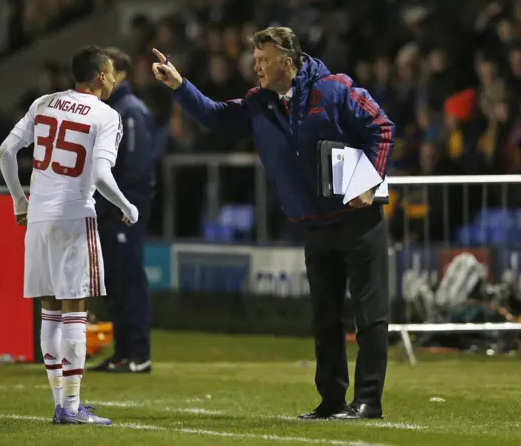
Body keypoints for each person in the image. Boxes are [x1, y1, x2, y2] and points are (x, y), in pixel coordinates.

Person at [151, 27, 395, 420]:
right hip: (313, 224)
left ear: (288, 60)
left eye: (263, 60)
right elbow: (215, 116)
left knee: (370, 316)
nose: (256, 67)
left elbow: (381, 128)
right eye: (255, 60)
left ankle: (368, 401)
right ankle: (332, 400)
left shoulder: (335, 90)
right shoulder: (258, 103)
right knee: (325, 319)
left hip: (357, 221)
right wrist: (180, 86)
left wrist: (369, 181)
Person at [0, 45, 138, 425]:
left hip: (38, 217)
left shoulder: (44, 102)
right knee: (76, 309)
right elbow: (100, 175)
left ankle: (61, 403)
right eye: (109, 73)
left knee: (50, 313)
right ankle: (73, 407)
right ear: (98, 77)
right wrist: (127, 206)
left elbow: (6, 151)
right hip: (74, 216)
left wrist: (19, 202)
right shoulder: (106, 115)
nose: (112, 79)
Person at [88, 47, 156, 374]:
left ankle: (138, 354)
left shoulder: (130, 112)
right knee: (115, 285)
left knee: (129, 283)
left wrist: (123, 209)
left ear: (121, 74)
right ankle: (123, 352)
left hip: (122, 215)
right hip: (109, 212)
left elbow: (137, 169)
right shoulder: (111, 110)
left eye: (105, 71)